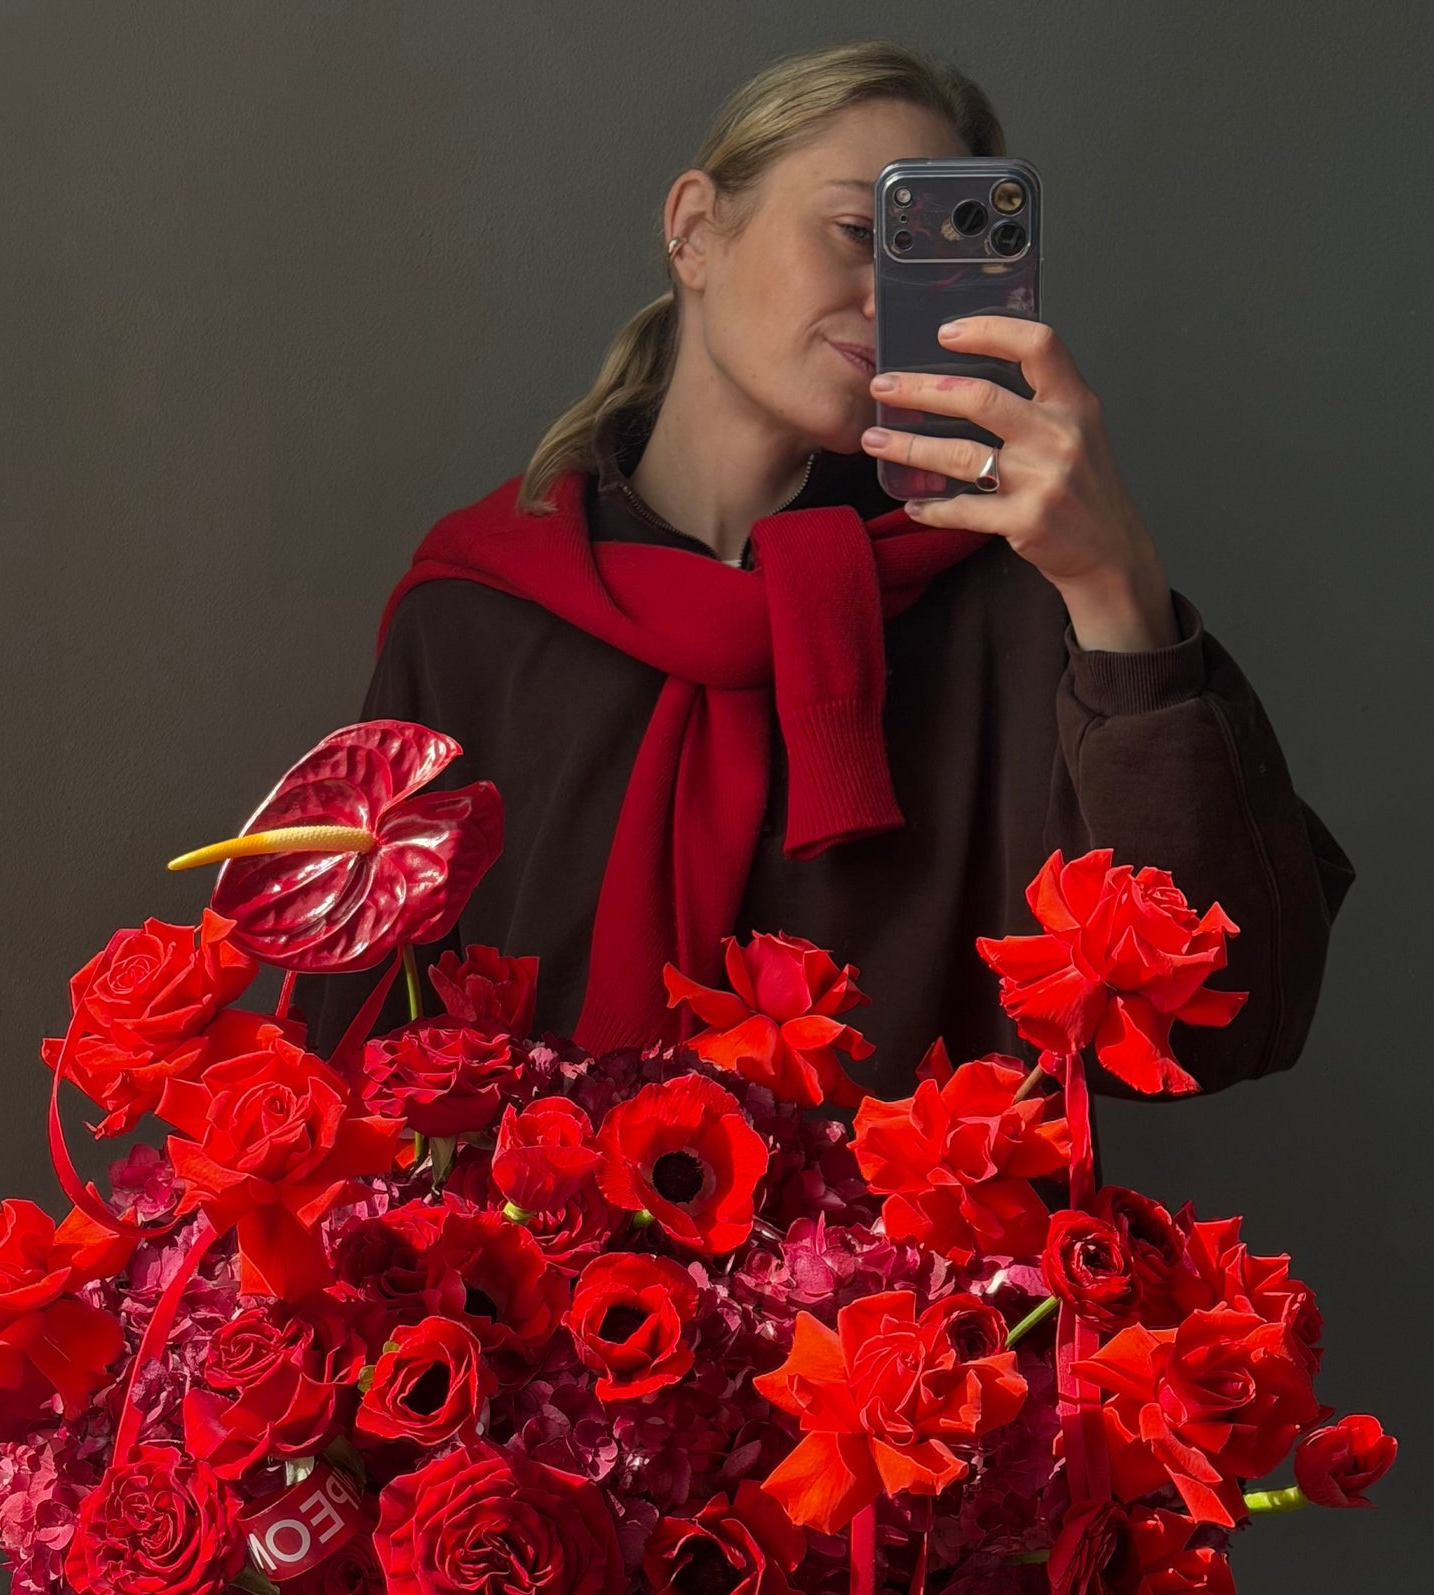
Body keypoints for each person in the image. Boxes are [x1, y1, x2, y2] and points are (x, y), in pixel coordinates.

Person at [301, 39, 1351, 1102]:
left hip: (915, 1267)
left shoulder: (1016, 602)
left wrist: (1118, 589)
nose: (888, 299)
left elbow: (1220, 1025)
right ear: (696, 231)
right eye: (859, 231)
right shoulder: (480, 616)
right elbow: (354, 1064)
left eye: (934, 258)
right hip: (534, 1253)